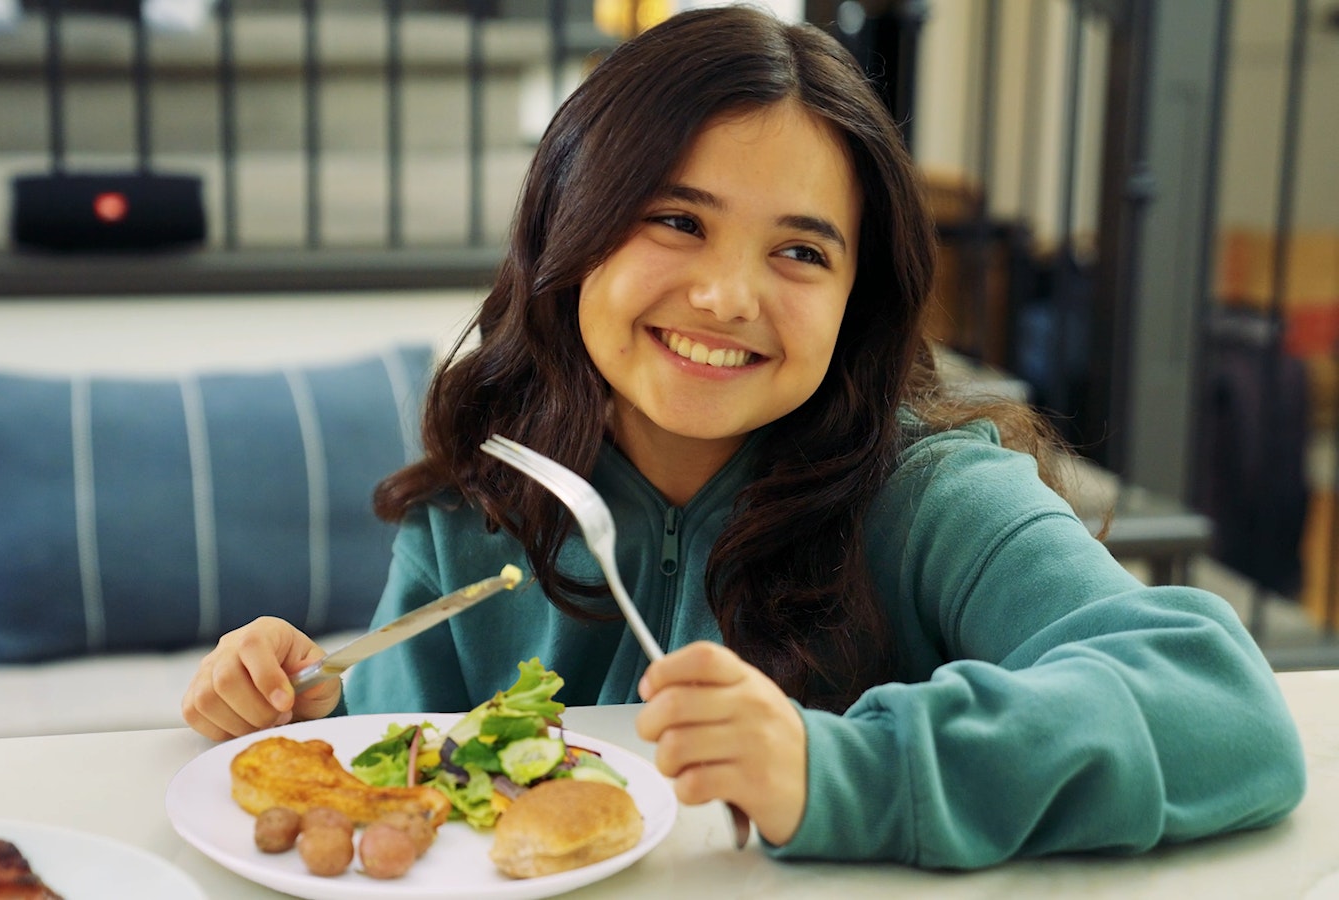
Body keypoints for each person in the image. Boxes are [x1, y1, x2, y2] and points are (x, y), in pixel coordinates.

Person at [182, 5, 1305, 868]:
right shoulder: (476, 503)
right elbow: (404, 784)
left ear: (858, 300)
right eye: (677, 220)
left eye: (800, 252)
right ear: (567, 231)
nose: (725, 297)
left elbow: (1224, 709)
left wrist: (837, 770)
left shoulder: (934, 497)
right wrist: (310, 707)